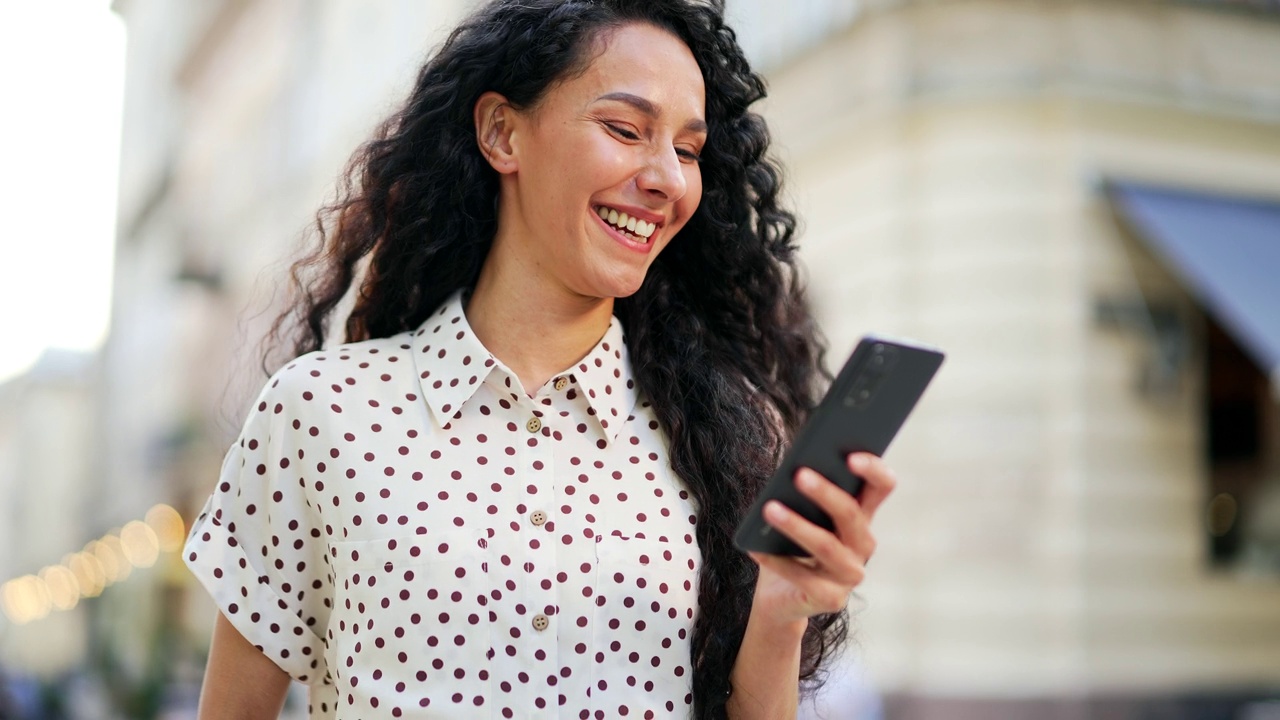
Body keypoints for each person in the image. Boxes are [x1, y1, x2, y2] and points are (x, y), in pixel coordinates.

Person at [182, 1, 897, 718]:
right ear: (501, 132)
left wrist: (780, 613)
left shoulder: (729, 440)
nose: (669, 180)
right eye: (625, 130)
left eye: (686, 150)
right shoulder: (323, 413)